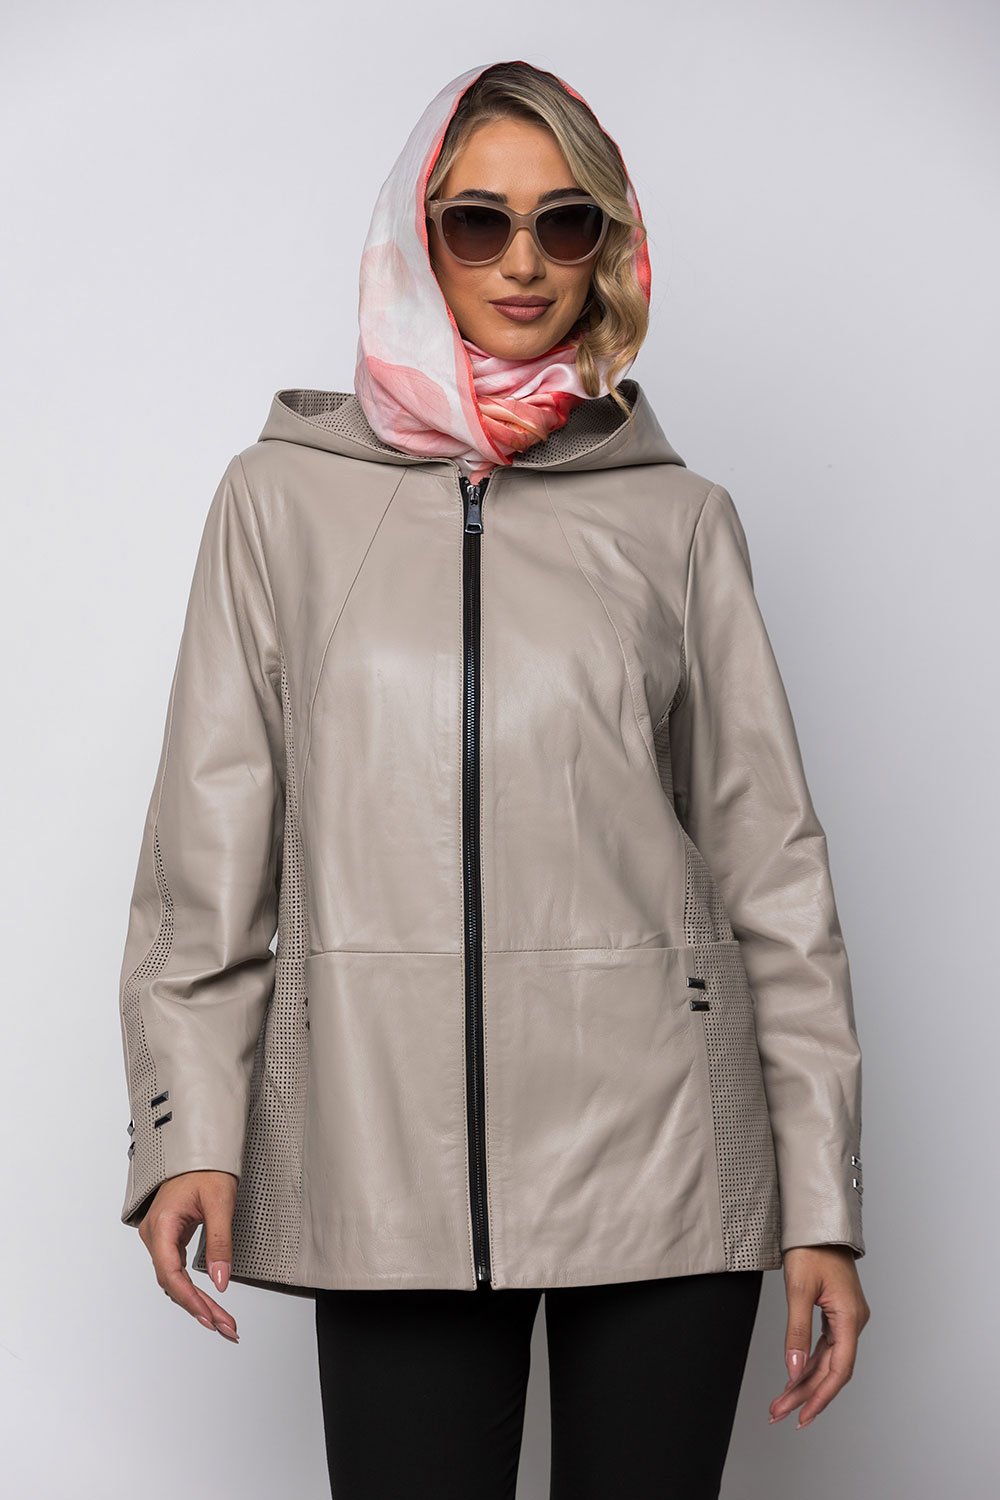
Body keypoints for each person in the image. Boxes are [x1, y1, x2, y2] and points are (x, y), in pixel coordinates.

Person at [117, 58, 871, 1499]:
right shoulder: (279, 504)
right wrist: (183, 1130)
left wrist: (823, 1205)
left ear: (607, 248)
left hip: (666, 1166)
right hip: (381, 1166)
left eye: (562, 222)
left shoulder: (677, 520)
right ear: (418, 236)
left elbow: (773, 870)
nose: (522, 261)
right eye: (478, 221)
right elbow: (206, 859)